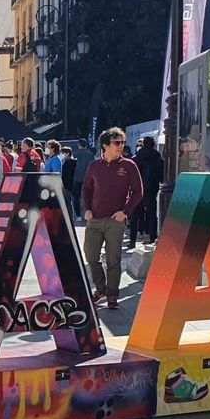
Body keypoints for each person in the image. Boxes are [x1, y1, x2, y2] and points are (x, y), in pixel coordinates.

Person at [82, 127, 144, 310]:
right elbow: (86, 188)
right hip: (94, 219)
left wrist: (125, 211)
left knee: (113, 260)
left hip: (115, 221)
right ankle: (100, 288)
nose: (121, 146)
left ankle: (112, 294)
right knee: (91, 256)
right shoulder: (94, 166)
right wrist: (87, 209)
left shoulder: (128, 165)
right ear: (105, 145)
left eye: (123, 142)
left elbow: (138, 191)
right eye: (117, 143)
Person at [130, 135, 164, 247]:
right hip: (152, 189)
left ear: (143, 144)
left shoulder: (135, 158)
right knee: (151, 213)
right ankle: (152, 237)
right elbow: (161, 176)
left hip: (137, 189)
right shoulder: (158, 159)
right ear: (153, 144)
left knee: (135, 215)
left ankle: (132, 240)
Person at [72, 138, 94, 222]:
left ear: (78, 145)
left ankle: (78, 215)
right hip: (88, 179)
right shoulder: (90, 155)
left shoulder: (75, 154)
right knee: (88, 197)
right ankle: (88, 213)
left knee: (76, 198)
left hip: (76, 178)